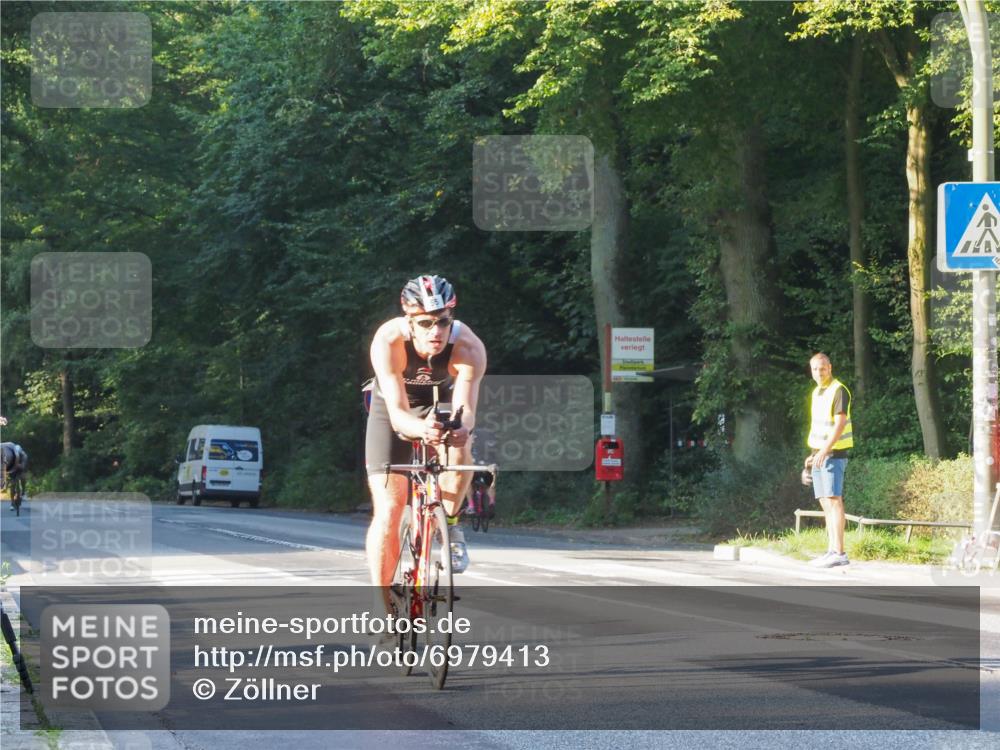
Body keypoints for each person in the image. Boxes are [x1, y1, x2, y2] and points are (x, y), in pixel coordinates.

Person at [365, 275, 486, 610]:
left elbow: (467, 410)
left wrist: (460, 428)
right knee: (390, 507)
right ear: (409, 321)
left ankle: (449, 524)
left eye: (443, 322)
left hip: (443, 403)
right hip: (395, 407)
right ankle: (384, 608)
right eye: (425, 323)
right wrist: (420, 430)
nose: (435, 332)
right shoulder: (389, 341)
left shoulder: (469, 348)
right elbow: (399, 415)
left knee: (462, 450)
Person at [804, 353, 853, 568]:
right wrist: (814, 453)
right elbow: (819, 427)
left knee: (834, 500)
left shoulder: (839, 390)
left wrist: (824, 450)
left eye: (822, 368)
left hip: (833, 453)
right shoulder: (817, 392)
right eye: (815, 369)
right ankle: (831, 550)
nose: (819, 373)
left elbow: (840, 424)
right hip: (819, 453)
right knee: (824, 501)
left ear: (830, 368)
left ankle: (840, 553)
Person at [1, 442, 29, 509]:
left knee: (23, 477)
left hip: (20, 469)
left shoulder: (24, 456)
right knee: (12, 486)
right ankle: (12, 503)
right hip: (12, 471)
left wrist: (20, 465)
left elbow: (23, 466)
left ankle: (23, 492)